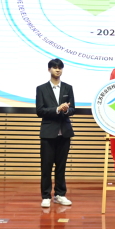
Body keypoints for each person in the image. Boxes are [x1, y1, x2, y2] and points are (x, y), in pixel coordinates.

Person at [36, 58, 75, 208]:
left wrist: (66, 110)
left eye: (60, 68)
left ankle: (60, 194)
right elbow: (39, 111)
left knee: (61, 166)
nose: (58, 70)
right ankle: (46, 196)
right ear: (49, 69)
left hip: (64, 132)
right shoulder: (41, 89)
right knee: (46, 166)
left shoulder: (68, 88)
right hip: (48, 133)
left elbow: (73, 109)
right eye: (55, 67)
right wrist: (57, 109)